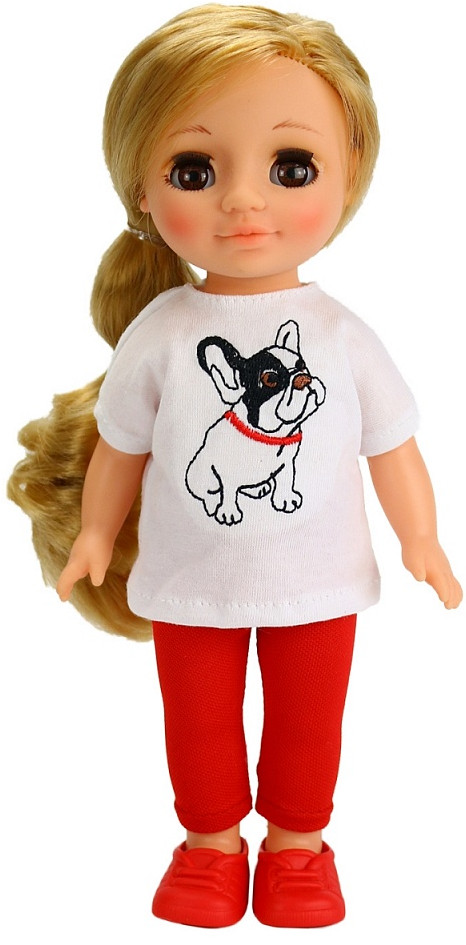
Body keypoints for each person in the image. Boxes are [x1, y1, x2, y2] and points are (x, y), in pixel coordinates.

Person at [8, 3, 462, 929]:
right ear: (142, 191)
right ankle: (210, 845)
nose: (245, 201)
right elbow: (122, 446)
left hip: (320, 580)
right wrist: (95, 532)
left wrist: (421, 538)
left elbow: (393, 444)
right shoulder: (164, 334)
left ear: (349, 173)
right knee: (198, 721)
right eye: (195, 171)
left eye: (290, 167)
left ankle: (298, 846)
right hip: (189, 581)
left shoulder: (339, 335)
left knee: (309, 721)